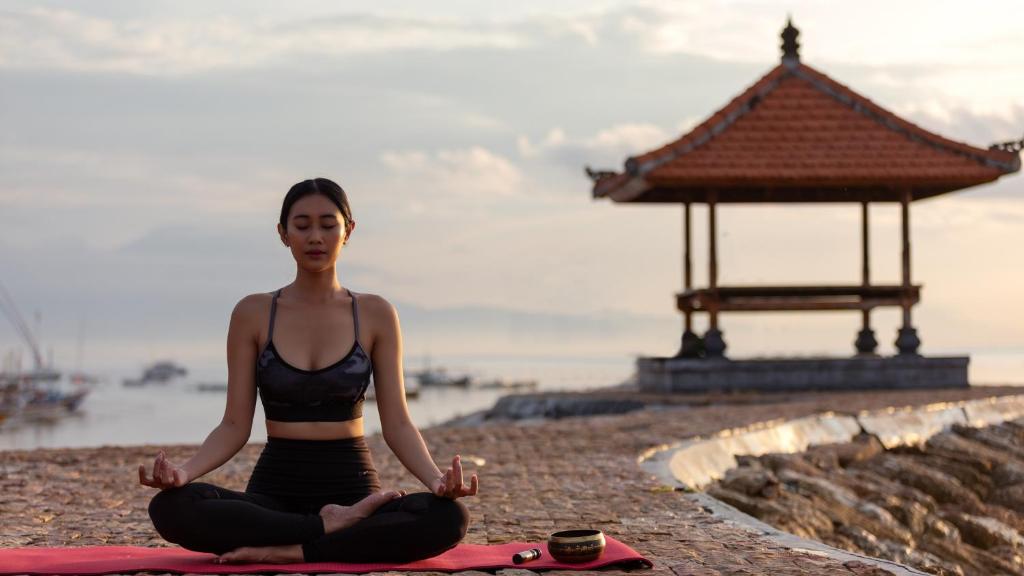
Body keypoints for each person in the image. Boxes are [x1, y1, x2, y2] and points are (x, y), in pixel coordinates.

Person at [139, 178, 477, 564]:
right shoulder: (253, 312)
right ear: (283, 234)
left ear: (348, 231)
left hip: (354, 492)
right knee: (170, 507)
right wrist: (183, 473)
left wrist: (435, 480)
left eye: (328, 225)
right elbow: (233, 425)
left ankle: (293, 549)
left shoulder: (375, 313)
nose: (315, 236)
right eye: (302, 225)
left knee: (449, 517)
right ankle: (325, 531)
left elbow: (398, 423)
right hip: (275, 492)